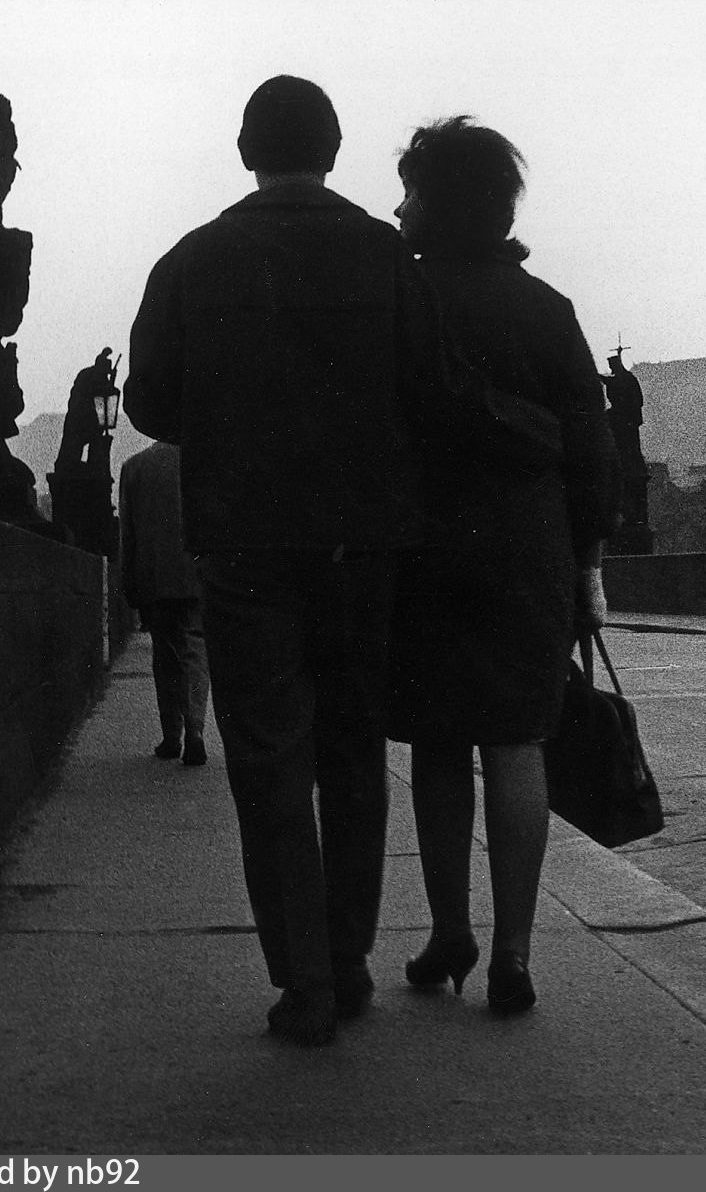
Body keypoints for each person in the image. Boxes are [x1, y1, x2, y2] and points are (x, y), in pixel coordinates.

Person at [125, 76, 558, 1048]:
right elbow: (438, 390)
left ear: (247, 151)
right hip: (364, 541)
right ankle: (351, 955)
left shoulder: (191, 260)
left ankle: (305, 977)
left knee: (268, 758)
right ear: (330, 148)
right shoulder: (383, 254)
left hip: (243, 540)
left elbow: (150, 401)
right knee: (352, 749)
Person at [386, 117, 619, 1017]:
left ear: (437, 201)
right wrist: (587, 567)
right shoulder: (547, 308)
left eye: (410, 190)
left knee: (439, 745)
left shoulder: (403, 302)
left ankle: (451, 931)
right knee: (519, 743)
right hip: (528, 552)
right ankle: (515, 953)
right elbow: (593, 460)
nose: (398, 208)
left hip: (424, 550)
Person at [118, 440, 209, 767]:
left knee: (165, 655)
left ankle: (172, 736)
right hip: (196, 574)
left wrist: (129, 583)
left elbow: (127, 535)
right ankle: (196, 728)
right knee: (194, 650)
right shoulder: (203, 461)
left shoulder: (135, 467)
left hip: (154, 576)